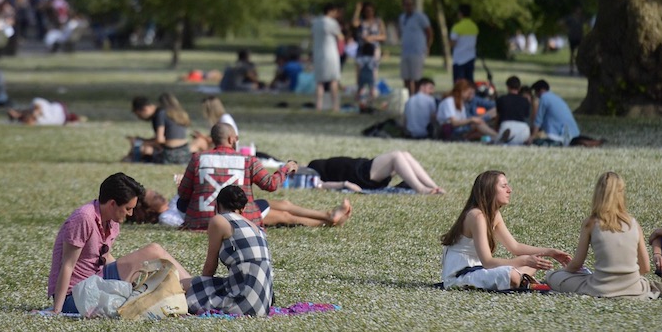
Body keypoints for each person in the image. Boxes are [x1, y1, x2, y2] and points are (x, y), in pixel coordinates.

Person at [47, 172, 191, 314]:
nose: (130, 214)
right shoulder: (84, 218)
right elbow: (67, 265)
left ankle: (191, 291)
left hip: (98, 282)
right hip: (76, 296)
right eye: (128, 208)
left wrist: (130, 279)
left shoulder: (111, 220)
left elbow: (104, 255)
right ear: (112, 204)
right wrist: (57, 309)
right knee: (154, 250)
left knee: (154, 279)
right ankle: (196, 287)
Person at [440, 170, 570, 291]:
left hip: (480, 270)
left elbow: (515, 247)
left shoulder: (493, 214)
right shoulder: (476, 216)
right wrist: (522, 261)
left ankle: (522, 279)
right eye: (504, 186)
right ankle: (521, 279)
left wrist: (550, 252)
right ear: (489, 190)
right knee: (513, 274)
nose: (509, 190)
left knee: (532, 264)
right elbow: (488, 262)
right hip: (460, 276)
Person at [546, 172, 659, 299]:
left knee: (553, 277)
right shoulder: (633, 224)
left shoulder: (591, 223)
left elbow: (576, 264)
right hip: (634, 289)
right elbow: (645, 267)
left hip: (601, 288)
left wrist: (562, 272)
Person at [177, 122, 298, 230]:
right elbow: (270, 184)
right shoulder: (248, 160)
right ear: (231, 139)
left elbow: (183, 194)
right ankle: (317, 220)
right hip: (241, 220)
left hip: (201, 222)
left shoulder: (198, 159)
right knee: (271, 207)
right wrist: (285, 169)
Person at [186, 185, 274, 316]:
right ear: (243, 208)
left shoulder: (220, 221)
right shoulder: (257, 228)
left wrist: (200, 287)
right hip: (263, 302)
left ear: (217, 204)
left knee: (184, 285)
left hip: (242, 303)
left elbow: (210, 267)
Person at [130, 185, 351, 229]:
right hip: (227, 215)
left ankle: (328, 216)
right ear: (147, 208)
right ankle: (328, 218)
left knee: (284, 205)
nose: (160, 195)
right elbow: (188, 224)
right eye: (154, 197)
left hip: (227, 206)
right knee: (285, 215)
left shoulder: (171, 202)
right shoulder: (166, 217)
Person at [307, 151, 445, 195]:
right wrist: (345, 184)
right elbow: (320, 185)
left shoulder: (309, 167)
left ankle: (433, 186)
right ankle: (421, 189)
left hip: (361, 168)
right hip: (359, 174)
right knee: (396, 156)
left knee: (404, 154)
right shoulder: (311, 172)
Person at [529, 80, 604, 147]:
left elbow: (538, 120)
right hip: (573, 130)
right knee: (574, 139)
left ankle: (584, 142)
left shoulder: (544, 98)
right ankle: (590, 141)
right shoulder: (555, 97)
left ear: (539, 90)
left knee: (568, 142)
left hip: (560, 132)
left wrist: (533, 136)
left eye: (535, 92)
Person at [127, 94, 194, 164]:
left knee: (141, 148)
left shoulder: (160, 114)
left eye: (139, 115)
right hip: (185, 154)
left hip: (170, 155)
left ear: (145, 109)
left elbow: (160, 140)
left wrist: (140, 142)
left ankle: (130, 160)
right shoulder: (177, 115)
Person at [311, 3, 343, 112]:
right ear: (331, 11)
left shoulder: (315, 22)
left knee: (319, 82)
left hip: (318, 54)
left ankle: (318, 106)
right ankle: (335, 105)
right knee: (333, 80)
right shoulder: (332, 23)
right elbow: (340, 37)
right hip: (331, 54)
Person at [398, 0, 433, 96]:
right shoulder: (402, 17)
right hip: (405, 51)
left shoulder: (420, 17)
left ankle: (417, 98)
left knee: (416, 78)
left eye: (410, 4)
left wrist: (428, 46)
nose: (408, 6)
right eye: (406, 4)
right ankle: (409, 98)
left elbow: (429, 32)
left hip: (417, 51)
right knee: (406, 77)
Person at [493, 76, 532, 145]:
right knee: (520, 140)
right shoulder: (525, 101)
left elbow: (498, 117)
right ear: (519, 87)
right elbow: (527, 118)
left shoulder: (502, 99)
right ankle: (523, 140)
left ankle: (504, 138)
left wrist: (495, 129)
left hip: (507, 125)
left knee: (498, 140)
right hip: (523, 129)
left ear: (507, 87)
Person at [449, 3, 479, 83]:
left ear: (460, 13)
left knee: (459, 83)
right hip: (471, 57)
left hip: (459, 59)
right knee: (469, 82)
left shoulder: (457, 27)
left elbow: (453, 43)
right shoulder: (474, 26)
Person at [7, 98, 82, 125]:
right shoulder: (39, 120)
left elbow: (36, 108)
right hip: (61, 113)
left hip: (60, 110)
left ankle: (18, 115)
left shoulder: (36, 104)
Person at [355, 41, 378, 108]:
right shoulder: (373, 60)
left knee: (360, 89)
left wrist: (357, 78)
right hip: (370, 76)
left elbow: (358, 70)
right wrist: (374, 79)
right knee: (372, 90)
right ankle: (372, 101)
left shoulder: (360, 59)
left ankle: (359, 101)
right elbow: (374, 71)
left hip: (362, 76)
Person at [563, 7, 586, 75]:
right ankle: (571, 68)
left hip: (579, 37)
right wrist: (566, 30)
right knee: (572, 54)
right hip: (572, 37)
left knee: (580, 54)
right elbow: (561, 22)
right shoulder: (570, 18)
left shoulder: (581, 18)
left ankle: (579, 68)